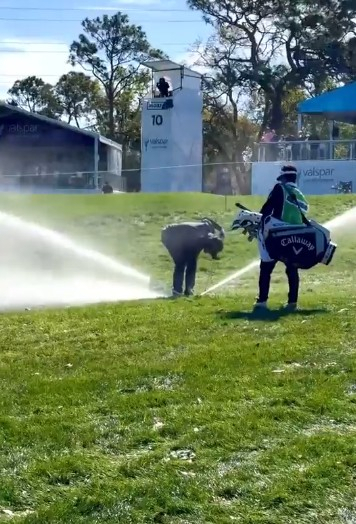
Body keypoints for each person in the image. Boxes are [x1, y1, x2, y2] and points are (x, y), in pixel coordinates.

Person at [255, 164, 309, 311]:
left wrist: (258, 224)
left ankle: (262, 302)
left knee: (266, 267)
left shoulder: (280, 188)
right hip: (294, 239)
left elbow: (266, 209)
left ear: (284, 177)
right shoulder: (300, 195)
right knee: (292, 269)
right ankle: (292, 303)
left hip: (277, 237)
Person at [161, 218, 224, 297]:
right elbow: (192, 261)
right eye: (210, 251)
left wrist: (221, 229)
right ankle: (177, 291)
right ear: (208, 245)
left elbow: (207, 220)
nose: (207, 253)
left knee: (191, 262)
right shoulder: (198, 239)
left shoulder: (208, 229)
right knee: (181, 263)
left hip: (180, 236)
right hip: (169, 235)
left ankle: (188, 290)